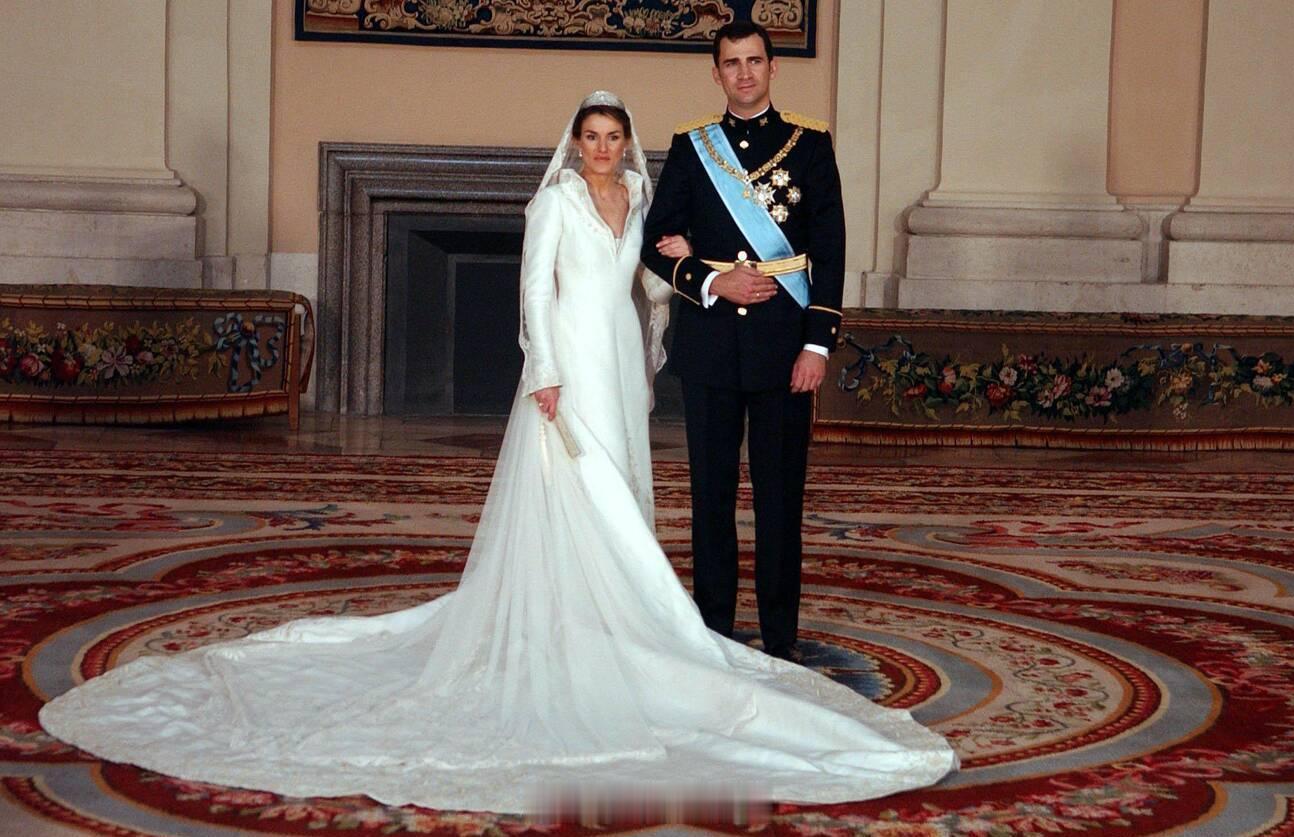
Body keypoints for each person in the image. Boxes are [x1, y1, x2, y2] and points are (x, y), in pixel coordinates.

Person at [39, 92, 955, 814]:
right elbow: (532, 290)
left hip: (620, 363)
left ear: (626, 145)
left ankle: (624, 619)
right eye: (591, 136)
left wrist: (667, 319)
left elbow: (656, 280)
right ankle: (584, 621)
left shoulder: (642, 198)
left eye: (613, 137)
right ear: (575, 142)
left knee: (624, 485)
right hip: (570, 365)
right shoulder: (553, 199)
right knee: (580, 487)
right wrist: (543, 369)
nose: (602, 148)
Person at [641, 20, 844, 663]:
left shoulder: (810, 144)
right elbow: (654, 242)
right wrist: (711, 280)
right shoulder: (692, 145)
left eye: (755, 61)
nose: (745, 73)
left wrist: (817, 346)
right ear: (717, 73)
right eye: (732, 63)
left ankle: (780, 639)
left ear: (772, 68)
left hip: (785, 346)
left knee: (781, 498)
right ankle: (714, 633)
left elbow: (830, 249)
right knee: (712, 497)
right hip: (709, 346)